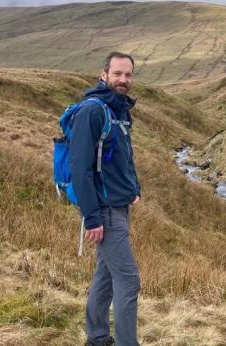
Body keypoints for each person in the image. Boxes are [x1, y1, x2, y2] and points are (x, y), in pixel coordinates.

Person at [69, 51, 141, 346]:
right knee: (128, 280)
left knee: (106, 275)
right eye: (117, 74)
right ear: (104, 74)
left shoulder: (118, 109)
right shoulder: (93, 111)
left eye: (128, 75)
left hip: (119, 206)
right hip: (106, 212)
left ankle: (97, 338)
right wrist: (93, 217)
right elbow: (79, 168)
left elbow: (123, 157)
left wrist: (134, 188)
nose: (123, 80)